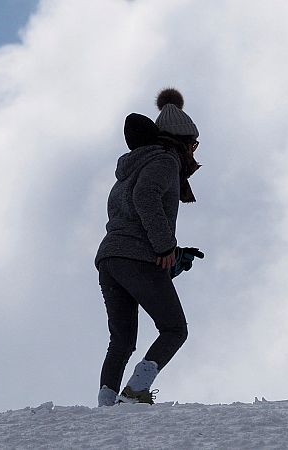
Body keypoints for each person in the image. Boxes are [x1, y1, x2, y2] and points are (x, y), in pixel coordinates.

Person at [94, 88, 202, 406]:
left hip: (111, 259)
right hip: (135, 257)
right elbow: (146, 198)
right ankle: (135, 392)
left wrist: (170, 256)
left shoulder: (131, 169)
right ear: (182, 141)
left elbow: (132, 214)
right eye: (194, 143)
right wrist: (165, 246)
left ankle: (106, 403)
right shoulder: (165, 161)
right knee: (174, 329)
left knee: (122, 340)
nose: (195, 151)